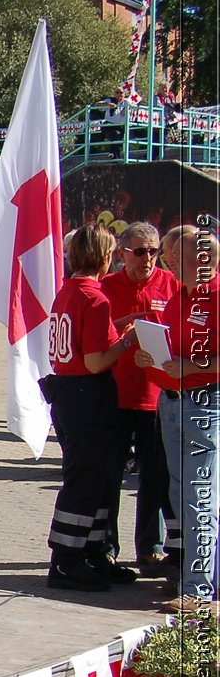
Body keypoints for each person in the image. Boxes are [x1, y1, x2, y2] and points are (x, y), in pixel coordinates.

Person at [41, 225, 140, 592]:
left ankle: (93, 552)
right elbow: (97, 361)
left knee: (102, 478)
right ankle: (67, 559)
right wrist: (129, 340)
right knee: (86, 480)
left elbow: (84, 340)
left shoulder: (69, 291)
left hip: (69, 393)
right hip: (87, 395)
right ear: (104, 256)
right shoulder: (96, 297)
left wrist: (115, 329)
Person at [136, 223, 219, 611]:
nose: (166, 262)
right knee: (180, 493)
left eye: (174, 258)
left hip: (204, 404)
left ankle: (200, 590)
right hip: (172, 402)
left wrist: (193, 364)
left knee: (199, 495)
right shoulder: (180, 295)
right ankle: (194, 578)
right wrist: (149, 356)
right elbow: (172, 345)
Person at [101, 222, 177, 569]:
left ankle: (149, 545)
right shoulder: (106, 287)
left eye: (153, 251)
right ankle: (106, 546)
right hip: (115, 396)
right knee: (110, 475)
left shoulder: (171, 285)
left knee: (156, 477)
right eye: (140, 251)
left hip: (155, 398)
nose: (148, 259)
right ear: (121, 254)